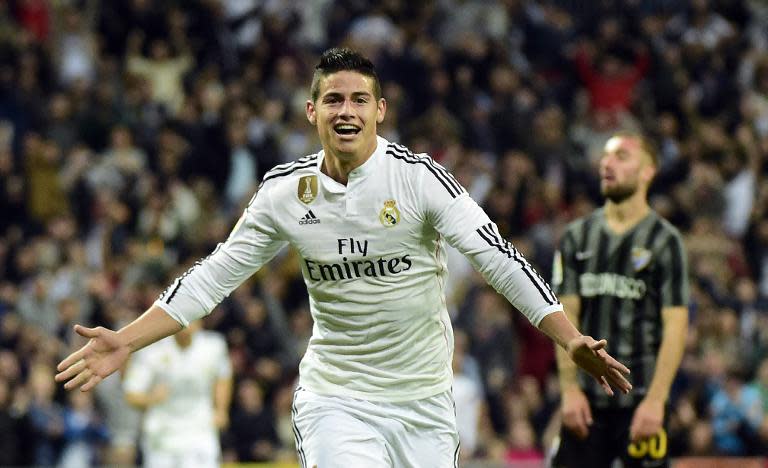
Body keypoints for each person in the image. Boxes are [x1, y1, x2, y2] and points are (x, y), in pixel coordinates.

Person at [56, 47, 632, 468]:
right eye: (333, 99)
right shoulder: (285, 192)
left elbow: (499, 258)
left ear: (380, 110)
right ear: (312, 112)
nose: (346, 110)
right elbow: (213, 275)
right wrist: (127, 339)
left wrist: (569, 337)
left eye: (359, 98)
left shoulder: (419, 181)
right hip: (337, 397)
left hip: (424, 402)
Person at [551, 132, 689, 468]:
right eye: (606, 156)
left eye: (621, 156)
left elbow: (676, 327)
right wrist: (569, 391)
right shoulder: (575, 236)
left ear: (647, 172)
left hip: (641, 403)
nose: (607, 163)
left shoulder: (665, 241)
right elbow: (564, 316)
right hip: (586, 404)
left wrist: (657, 401)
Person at [122, 320, 232, 467]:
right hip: (162, 433)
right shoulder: (152, 349)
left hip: (200, 428)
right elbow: (131, 395)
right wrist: (151, 398)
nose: (188, 323)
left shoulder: (213, 345)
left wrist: (221, 410)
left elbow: (223, 377)